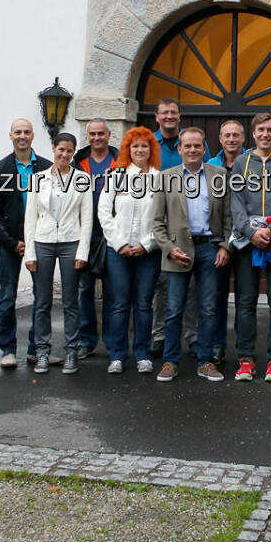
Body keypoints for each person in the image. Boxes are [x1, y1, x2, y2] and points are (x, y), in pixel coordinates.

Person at [151, 126, 232, 382]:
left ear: (204, 148)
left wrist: (225, 246)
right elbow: (156, 222)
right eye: (188, 146)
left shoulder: (218, 175)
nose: (193, 150)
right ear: (180, 148)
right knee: (173, 309)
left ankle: (206, 361)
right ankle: (170, 361)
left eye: (198, 145)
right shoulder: (166, 177)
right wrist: (168, 248)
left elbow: (229, 217)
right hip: (177, 252)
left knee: (208, 308)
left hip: (210, 248)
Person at [228, 111, 271, 383]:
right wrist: (250, 231)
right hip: (248, 244)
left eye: (270, 130)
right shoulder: (241, 163)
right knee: (245, 302)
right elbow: (235, 202)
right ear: (253, 133)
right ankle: (245, 359)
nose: (265, 134)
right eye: (261, 130)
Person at [23, 132, 92, 375]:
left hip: (71, 242)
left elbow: (87, 220)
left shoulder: (82, 179)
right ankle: (42, 351)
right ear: (54, 149)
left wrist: (82, 250)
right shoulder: (38, 178)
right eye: (61, 149)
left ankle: (71, 350)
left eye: (69, 151)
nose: (64, 154)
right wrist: (29, 253)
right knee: (42, 301)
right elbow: (30, 218)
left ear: (74, 153)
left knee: (71, 301)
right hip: (43, 241)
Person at [0, 118, 52, 369]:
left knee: (41, 297)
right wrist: (12, 242)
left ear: (33, 135)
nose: (22, 136)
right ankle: (8, 350)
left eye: (26, 132)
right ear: (10, 136)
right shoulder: (0, 168)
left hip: (40, 242)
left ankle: (37, 349)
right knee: (7, 297)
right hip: (8, 244)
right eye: (18, 132)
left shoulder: (46, 168)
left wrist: (35, 240)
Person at [99, 126, 163, 374]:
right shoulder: (116, 176)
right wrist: (120, 244)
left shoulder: (160, 179)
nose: (139, 150)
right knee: (119, 304)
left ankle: (142, 354)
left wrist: (145, 245)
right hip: (119, 251)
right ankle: (117, 354)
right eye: (135, 146)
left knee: (144, 303)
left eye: (144, 146)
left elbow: (163, 218)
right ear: (128, 149)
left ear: (151, 149)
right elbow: (104, 213)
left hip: (148, 252)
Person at [150, 98, 207, 356]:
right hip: (163, 228)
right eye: (165, 113)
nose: (169, 116)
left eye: (174, 112)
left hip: (192, 230)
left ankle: (192, 337)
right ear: (157, 116)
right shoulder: (149, 145)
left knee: (193, 293)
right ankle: (160, 336)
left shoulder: (191, 147)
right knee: (164, 291)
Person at [75, 119, 117, 360]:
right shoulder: (78, 164)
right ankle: (86, 339)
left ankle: (112, 341)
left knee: (113, 291)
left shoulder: (121, 162)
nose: (97, 137)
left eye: (101, 133)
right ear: (87, 136)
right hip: (84, 235)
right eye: (93, 134)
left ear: (109, 135)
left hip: (111, 234)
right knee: (84, 290)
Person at [205, 119, 246, 366]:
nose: (231, 139)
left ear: (243, 138)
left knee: (244, 298)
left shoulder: (251, 164)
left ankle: (243, 350)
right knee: (215, 298)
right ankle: (216, 346)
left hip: (243, 241)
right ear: (220, 139)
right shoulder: (210, 165)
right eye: (227, 135)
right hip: (216, 240)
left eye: (236, 135)